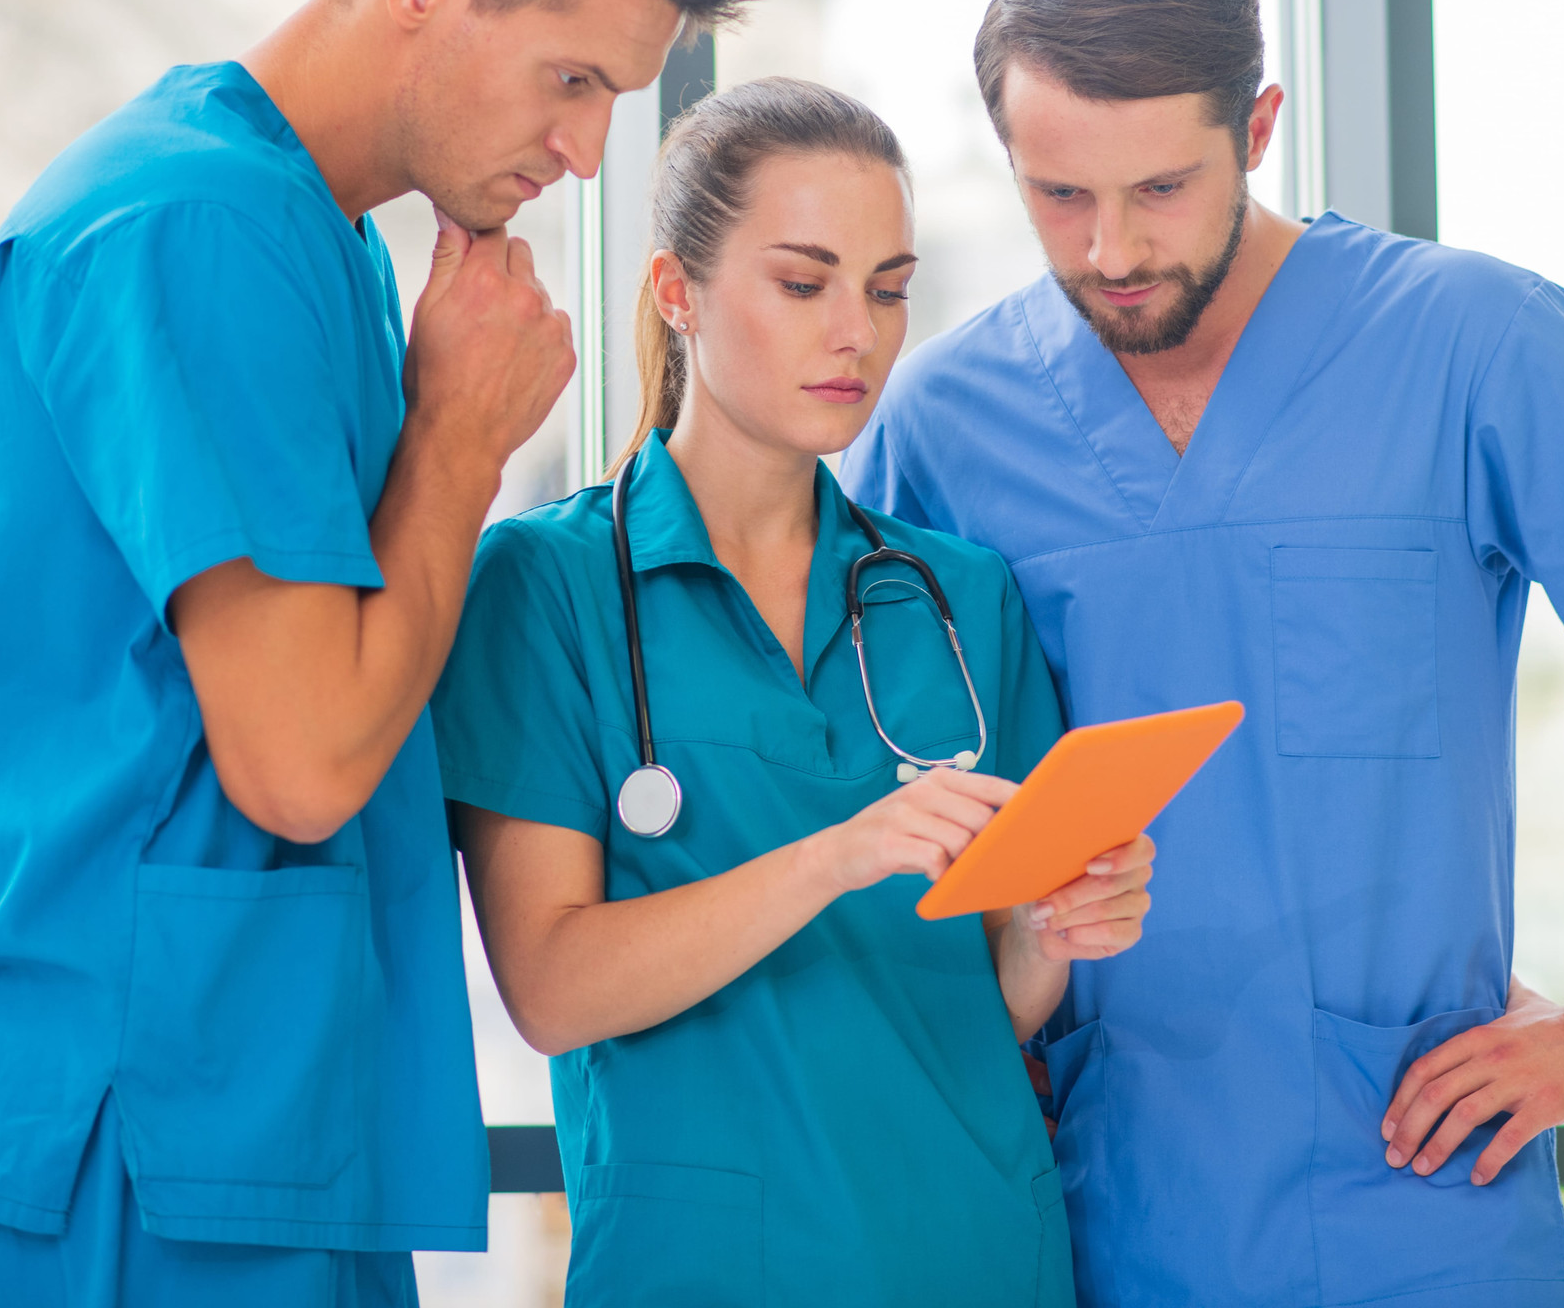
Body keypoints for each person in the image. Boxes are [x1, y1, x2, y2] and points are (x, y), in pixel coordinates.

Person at [0, 0, 755, 1307]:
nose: (585, 152)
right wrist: (460, 443)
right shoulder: (190, 226)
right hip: (145, 1114)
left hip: (254, 1097)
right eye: (574, 79)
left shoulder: (320, 239)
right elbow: (301, 759)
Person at [843, 0, 1564, 1308]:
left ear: (1262, 126)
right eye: (1059, 196)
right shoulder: (942, 421)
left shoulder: (1479, 343)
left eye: (1162, 187)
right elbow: (871, 784)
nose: (1111, 249)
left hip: (1421, 1201)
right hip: (1082, 1210)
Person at [432, 78, 1153, 1308]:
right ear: (678, 292)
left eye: (886, 287)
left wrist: (1052, 928)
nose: (858, 334)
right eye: (804, 283)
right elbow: (552, 989)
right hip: (709, 1270)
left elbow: (991, 1000)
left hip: (981, 1255)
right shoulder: (549, 586)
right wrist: (838, 855)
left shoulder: (960, 596)